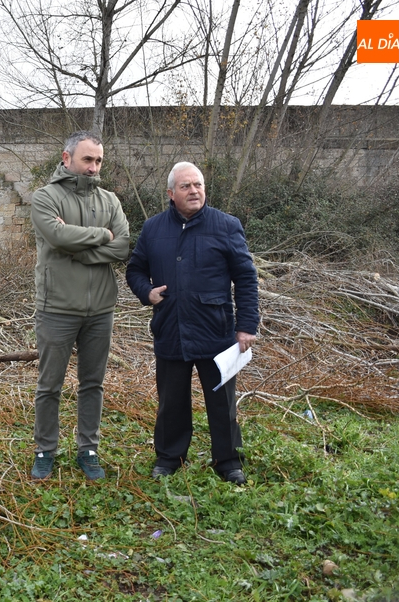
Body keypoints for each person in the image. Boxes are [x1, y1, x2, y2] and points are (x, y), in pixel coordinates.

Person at [125, 161, 259, 486]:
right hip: (170, 328)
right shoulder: (154, 228)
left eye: (198, 185)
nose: (194, 191)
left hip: (216, 331)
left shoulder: (226, 226)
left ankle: (228, 461)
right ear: (171, 193)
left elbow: (245, 277)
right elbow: (135, 269)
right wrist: (146, 292)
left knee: (222, 404)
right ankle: (169, 458)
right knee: (171, 402)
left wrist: (247, 325)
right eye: (185, 186)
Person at [29, 131, 130, 481]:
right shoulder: (45, 197)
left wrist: (79, 249)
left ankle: (88, 449)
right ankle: (45, 450)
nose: (93, 167)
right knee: (50, 385)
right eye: (87, 159)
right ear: (67, 157)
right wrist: (103, 235)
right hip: (57, 307)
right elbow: (57, 237)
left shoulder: (110, 201)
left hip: (100, 309)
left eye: (98, 160)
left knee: (92, 383)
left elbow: (123, 246)